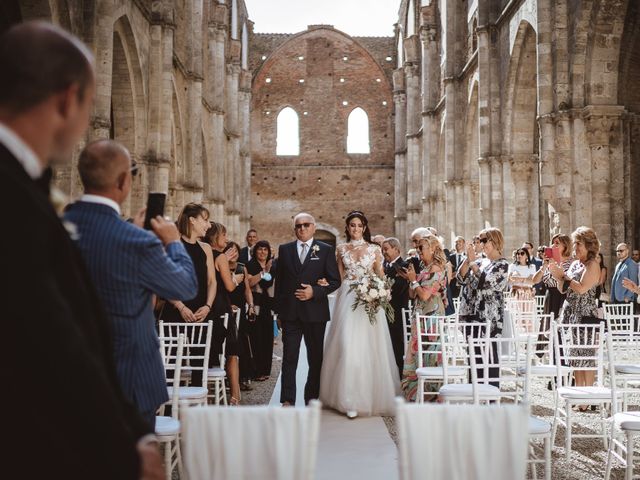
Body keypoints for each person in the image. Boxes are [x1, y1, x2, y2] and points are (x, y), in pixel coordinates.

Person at [0, 22, 163, 478]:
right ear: (69, 100)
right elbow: (53, 337)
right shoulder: (13, 195)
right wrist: (125, 444)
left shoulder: (28, 185)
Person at [64, 139, 198, 427]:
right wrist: (173, 242)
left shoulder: (52, 226)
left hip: (67, 378)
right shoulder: (137, 242)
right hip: (129, 381)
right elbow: (185, 286)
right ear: (124, 181)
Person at [320, 211, 400, 417]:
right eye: (352, 225)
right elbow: (338, 279)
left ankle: (368, 397)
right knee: (347, 346)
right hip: (347, 301)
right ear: (347, 228)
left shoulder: (374, 249)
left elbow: (380, 275)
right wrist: (324, 284)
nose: (355, 229)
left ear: (364, 228)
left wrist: (382, 292)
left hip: (369, 302)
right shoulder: (341, 249)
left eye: (359, 225)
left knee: (369, 349)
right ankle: (348, 399)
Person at [275, 213, 341, 407]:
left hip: (315, 313)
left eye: (305, 225)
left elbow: (335, 280)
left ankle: (311, 398)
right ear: (294, 229)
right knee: (289, 357)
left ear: (313, 227)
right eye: (298, 226)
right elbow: (280, 284)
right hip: (290, 313)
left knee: (315, 359)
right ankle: (287, 399)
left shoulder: (325, 250)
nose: (302, 229)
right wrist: (278, 313)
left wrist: (316, 291)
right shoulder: (285, 249)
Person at [161, 203, 216, 388]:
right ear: (192, 221)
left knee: (200, 366)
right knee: (170, 364)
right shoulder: (172, 245)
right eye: (205, 220)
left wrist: (208, 306)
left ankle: (194, 412)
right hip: (175, 311)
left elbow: (211, 282)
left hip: (201, 312)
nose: (208, 225)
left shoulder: (206, 248)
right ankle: (168, 411)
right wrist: (180, 306)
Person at [549, 227, 601, 408]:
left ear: (589, 245)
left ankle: (589, 398)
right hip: (571, 314)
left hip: (585, 315)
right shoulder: (575, 264)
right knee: (575, 357)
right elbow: (563, 289)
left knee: (586, 357)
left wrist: (563, 276)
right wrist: (557, 276)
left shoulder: (593, 265)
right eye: (575, 243)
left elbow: (581, 288)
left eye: (578, 243)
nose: (575, 247)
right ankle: (579, 396)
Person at [458, 228, 510, 385]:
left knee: (489, 358)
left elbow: (486, 282)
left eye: (483, 240)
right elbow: (461, 278)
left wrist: (473, 263)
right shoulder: (479, 261)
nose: (480, 243)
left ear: (494, 241)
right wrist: (468, 259)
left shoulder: (502, 264)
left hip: (489, 317)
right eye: (479, 240)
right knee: (473, 359)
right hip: (471, 314)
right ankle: (475, 396)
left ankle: (491, 399)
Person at [402, 234, 447, 401]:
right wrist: (411, 280)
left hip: (431, 316)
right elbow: (412, 294)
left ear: (433, 249)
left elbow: (426, 295)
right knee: (417, 351)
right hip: (419, 314)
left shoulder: (436, 268)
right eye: (417, 247)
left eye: (421, 247)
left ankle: (433, 394)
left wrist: (414, 281)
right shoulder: (423, 267)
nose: (418, 251)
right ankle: (416, 393)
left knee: (430, 353)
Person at [204, 221, 243, 405]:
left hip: (204, 305)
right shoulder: (219, 257)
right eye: (224, 236)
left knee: (206, 351)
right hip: (219, 305)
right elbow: (228, 286)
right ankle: (235, 394)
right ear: (215, 237)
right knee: (231, 351)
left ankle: (207, 391)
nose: (226, 239)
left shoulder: (200, 252)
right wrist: (237, 279)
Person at [224, 241, 256, 390]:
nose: (233, 254)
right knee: (228, 343)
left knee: (242, 342)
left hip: (240, 309)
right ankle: (226, 377)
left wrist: (250, 305)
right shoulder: (221, 267)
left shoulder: (242, 267)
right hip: (226, 307)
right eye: (230, 251)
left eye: (235, 251)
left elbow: (247, 290)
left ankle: (242, 378)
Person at [247, 240, 277, 382]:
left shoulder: (274, 266)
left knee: (267, 339)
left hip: (268, 306)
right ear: (255, 251)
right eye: (260, 249)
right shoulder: (250, 265)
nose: (263, 252)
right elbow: (251, 282)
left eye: (265, 249)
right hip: (255, 306)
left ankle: (265, 370)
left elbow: (272, 283)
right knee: (256, 339)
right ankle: (256, 371)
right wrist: (264, 271)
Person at [381, 237, 409, 378]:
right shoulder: (385, 266)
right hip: (385, 313)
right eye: (382, 249)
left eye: (386, 249)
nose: (383, 251)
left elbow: (398, 289)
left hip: (397, 312)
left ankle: (400, 376)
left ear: (396, 249)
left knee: (397, 346)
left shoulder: (403, 266)